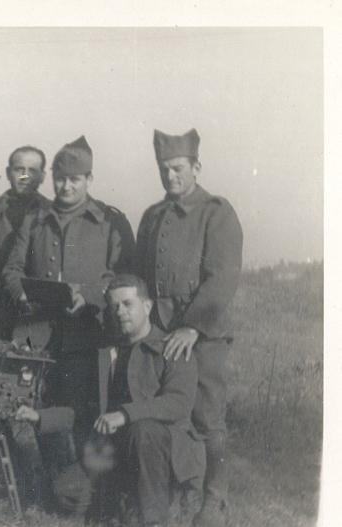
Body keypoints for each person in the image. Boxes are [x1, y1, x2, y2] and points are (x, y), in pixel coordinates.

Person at [17, 274, 205, 527]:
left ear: (147, 306)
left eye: (128, 304)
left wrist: (125, 414)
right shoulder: (106, 353)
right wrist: (40, 417)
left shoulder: (171, 347)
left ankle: (154, 518)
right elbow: (84, 408)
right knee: (66, 491)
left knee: (144, 430)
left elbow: (178, 403)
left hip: (163, 457)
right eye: (115, 306)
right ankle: (123, 502)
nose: (120, 312)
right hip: (116, 454)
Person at [135, 129, 243, 527]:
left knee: (207, 417)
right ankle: (180, 489)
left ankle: (215, 498)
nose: (170, 177)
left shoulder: (217, 212)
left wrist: (192, 328)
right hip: (159, 334)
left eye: (178, 168)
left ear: (196, 167)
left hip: (204, 335)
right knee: (167, 415)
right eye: (164, 170)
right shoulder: (152, 216)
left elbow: (222, 278)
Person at [2, 135, 135, 447]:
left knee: (79, 412)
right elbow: (11, 270)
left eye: (75, 180)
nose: (66, 188)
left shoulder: (109, 222)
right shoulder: (35, 219)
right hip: (37, 335)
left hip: (87, 334)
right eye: (60, 180)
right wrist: (22, 294)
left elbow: (125, 277)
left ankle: (76, 485)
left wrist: (87, 296)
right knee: (33, 409)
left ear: (89, 179)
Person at [0, 145, 51, 338]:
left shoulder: (52, 215)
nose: (25, 177)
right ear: (8, 173)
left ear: (42, 176)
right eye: (19, 170)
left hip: (35, 317)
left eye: (32, 171)